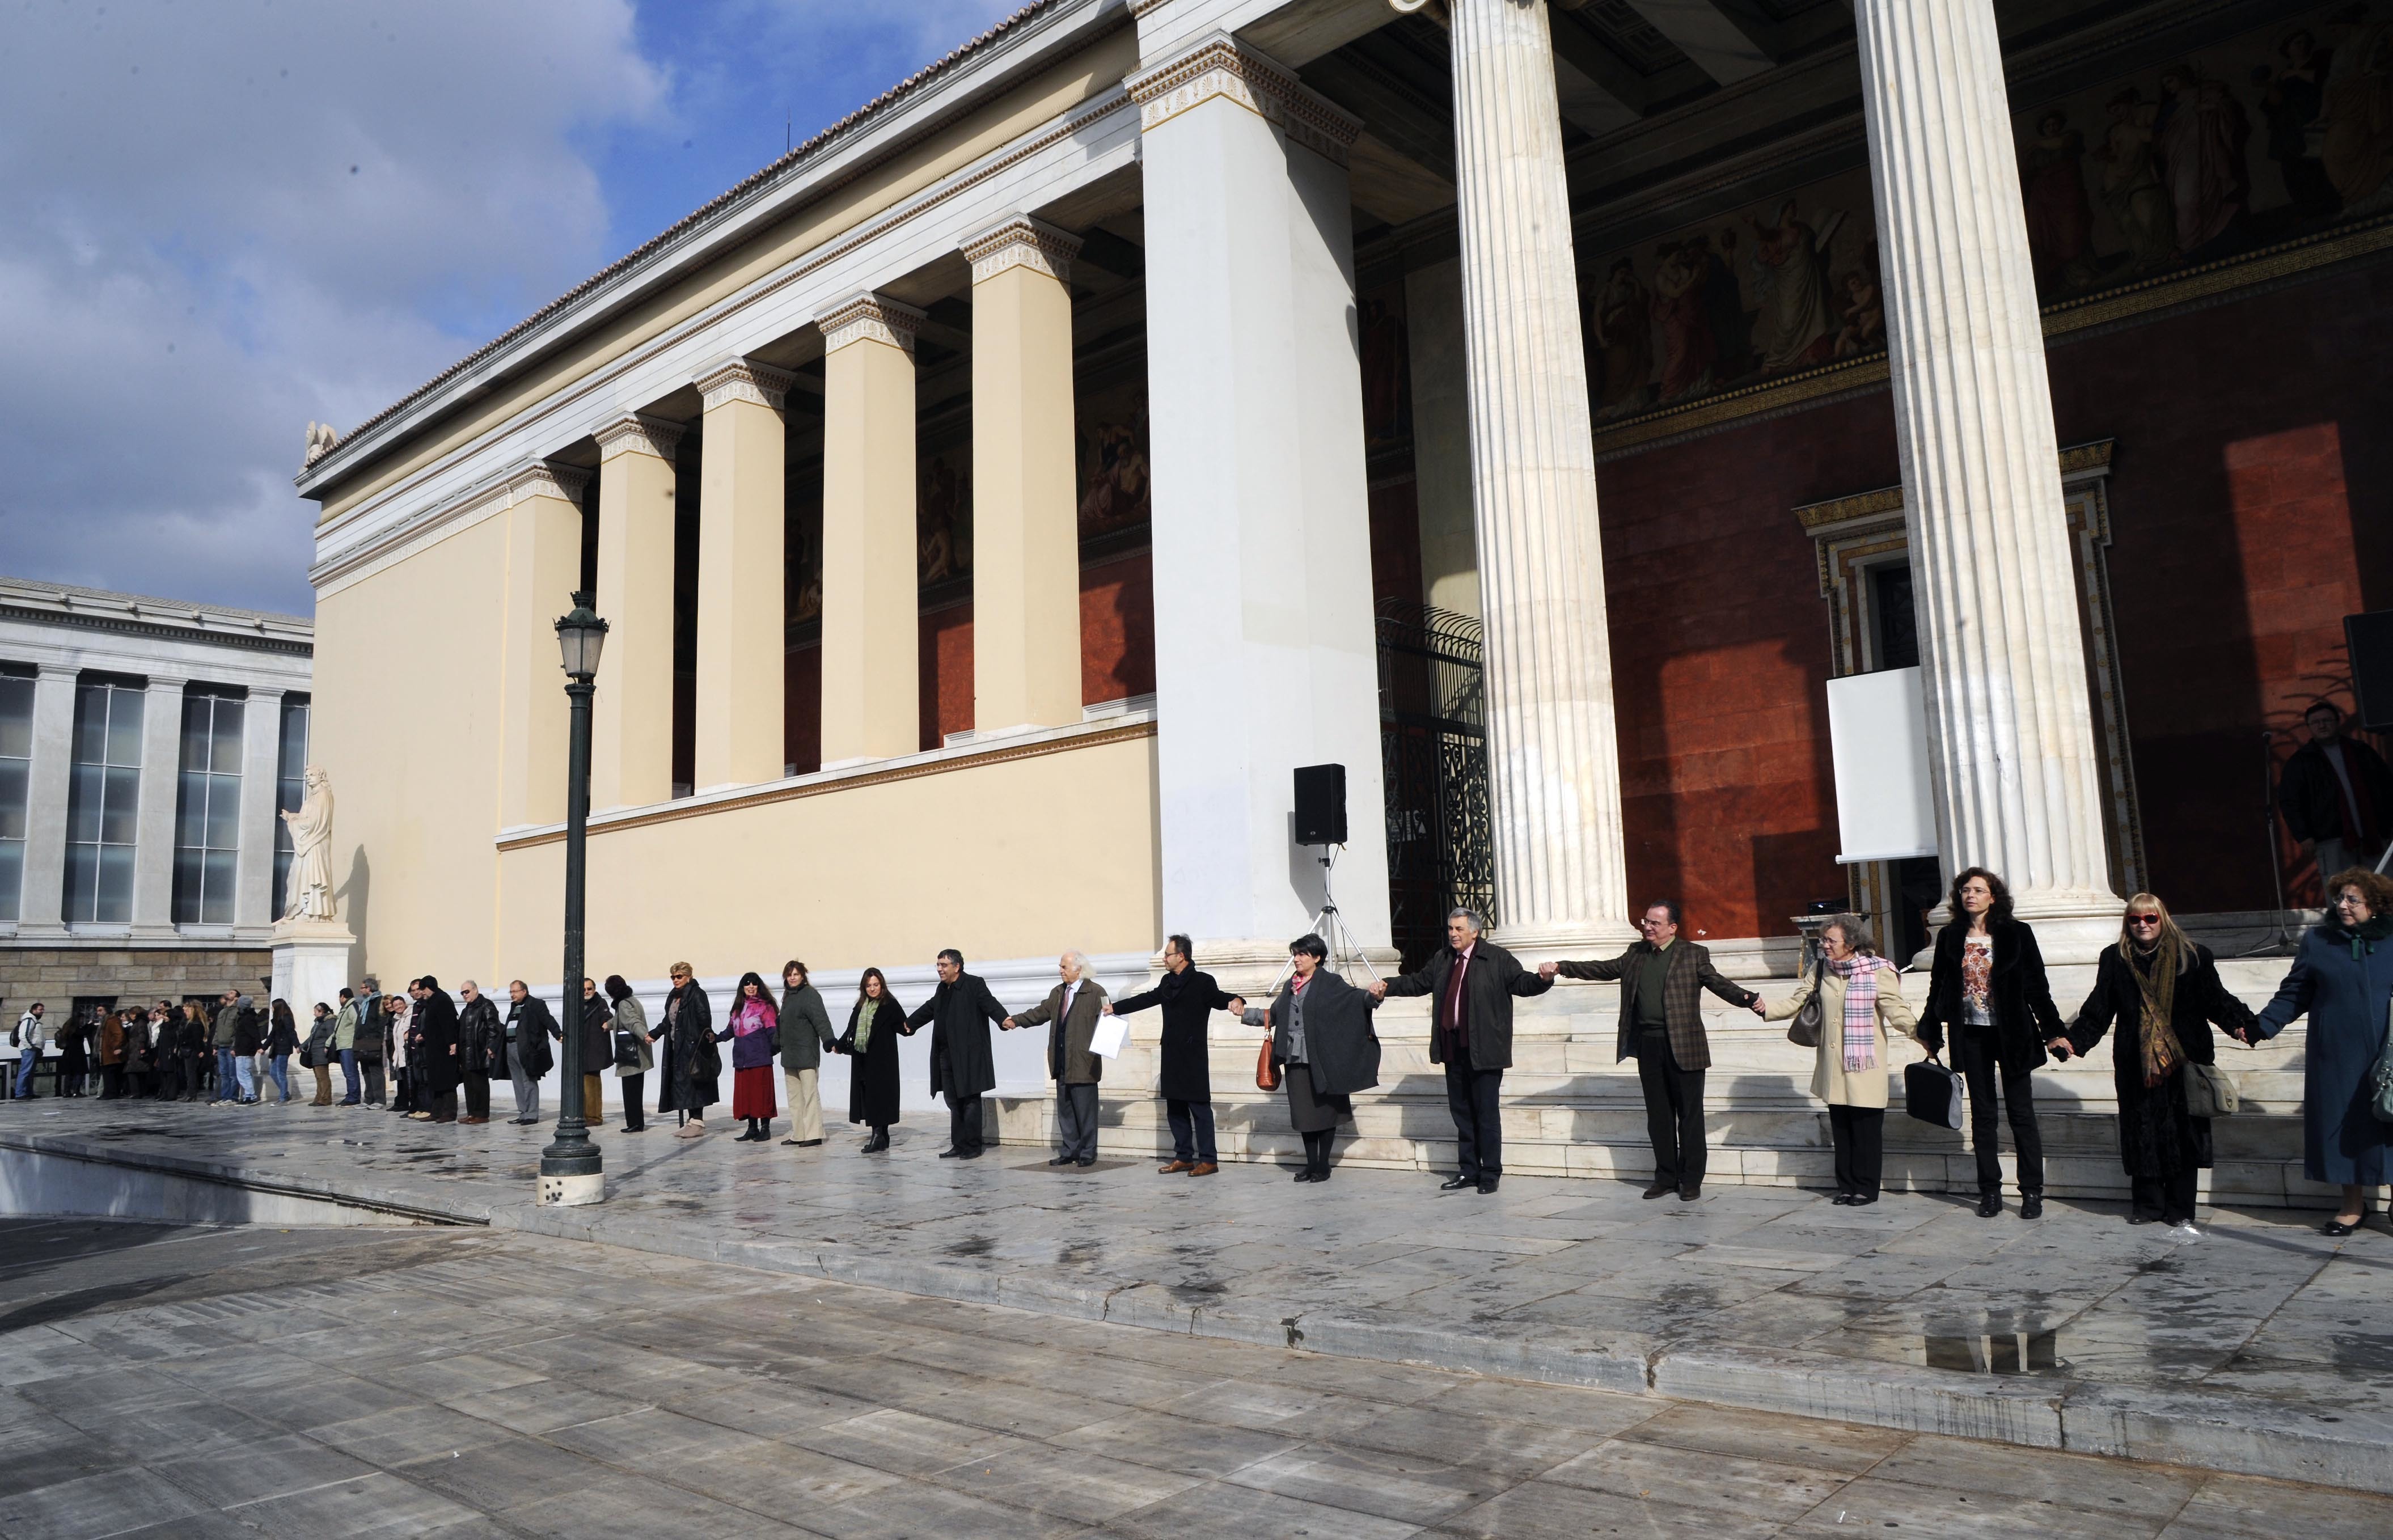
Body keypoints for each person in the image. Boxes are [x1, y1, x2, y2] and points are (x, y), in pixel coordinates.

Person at [2054, 894, 2252, 1234]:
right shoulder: (2115, 959)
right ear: (2127, 923)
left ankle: (2180, 1207)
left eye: (2150, 919)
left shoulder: (2193, 956)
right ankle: (2147, 1205)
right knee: (2140, 1130)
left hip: (2185, 1061)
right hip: (2136, 1062)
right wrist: (2074, 1040)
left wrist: (2242, 1024)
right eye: (2135, 920)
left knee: (2184, 1133)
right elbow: (2099, 1007)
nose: (2143, 925)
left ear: (2163, 919)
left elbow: (2216, 1000)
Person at [1546, 901, 1762, 1202]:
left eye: (1655, 923)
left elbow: (1717, 983)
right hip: (1648, 1045)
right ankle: (1665, 1177)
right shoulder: (1635, 954)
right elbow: (1603, 969)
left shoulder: (1692, 954)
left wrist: (1748, 999)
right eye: (1645, 921)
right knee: (1658, 1116)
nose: (1647, 926)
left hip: (1684, 1046)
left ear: (1672, 928)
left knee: (1689, 1116)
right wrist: (1562, 968)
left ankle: (1690, 1180)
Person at [2248, 867, 2393, 1236]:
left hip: (2387, 1052)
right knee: (2342, 1127)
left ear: (2374, 906)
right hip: (2336, 1056)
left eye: (2353, 900)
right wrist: (2261, 1026)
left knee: (2389, 1123)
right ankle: (2352, 1206)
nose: (2343, 905)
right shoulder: (2319, 942)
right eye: (2340, 898)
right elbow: (2295, 993)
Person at [1917, 868, 2065, 1220]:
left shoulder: (2017, 933)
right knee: (1983, 1115)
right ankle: (1991, 1192)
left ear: (1993, 897)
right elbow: (1939, 985)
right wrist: (1930, 1027)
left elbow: (2037, 987)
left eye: (1978, 890)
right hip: (1971, 1034)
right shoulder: (1951, 935)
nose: (1970, 896)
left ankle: (2031, 1192)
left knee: (2021, 1114)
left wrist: (2054, 1031)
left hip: (2012, 1033)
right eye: (1965, 890)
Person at [1375, 908, 1553, 1194]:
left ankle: (1490, 1173)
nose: (1453, 934)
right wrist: (1388, 986)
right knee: (1462, 1113)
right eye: (1450, 929)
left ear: (1475, 931)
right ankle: (1468, 1171)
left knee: (1485, 1113)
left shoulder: (1497, 959)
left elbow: (1522, 983)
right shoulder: (1443, 959)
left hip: (1484, 1049)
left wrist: (1543, 979)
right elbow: (1418, 982)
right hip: (1453, 1048)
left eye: (1459, 929)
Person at [1761, 914, 1917, 1205]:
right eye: (1823, 940)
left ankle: (1866, 1188)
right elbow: (1797, 1001)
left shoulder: (1878, 970)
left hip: (1864, 1066)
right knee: (1842, 1132)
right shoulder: (1820, 969)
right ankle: (1845, 1186)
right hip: (1833, 1066)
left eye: (1831, 940)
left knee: (1866, 1132)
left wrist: (1919, 1032)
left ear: (1853, 942)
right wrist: (1764, 1008)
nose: (1825, 946)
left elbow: (1896, 1009)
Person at [1244, 934, 1381, 1182]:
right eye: (1295, 954)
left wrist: (1374, 997)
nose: (1296, 959)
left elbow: (1355, 999)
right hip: (1295, 1058)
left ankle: (1323, 1165)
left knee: (1326, 1112)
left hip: (1324, 1057)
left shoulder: (1330, 982)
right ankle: (1311, 1164)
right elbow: (1272, 1014)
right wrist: (1244, 1012)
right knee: (1304, 1114)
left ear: (1317, 958)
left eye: (1302, 954)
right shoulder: (1290, 985)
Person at [1106, 934, 1242, 1176]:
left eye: (1167, 955)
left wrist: (1236, 1000)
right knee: (1175, 1109)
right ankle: (1184, 1157)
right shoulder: (1167, 983)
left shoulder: (1202, 982)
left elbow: (1219, 998)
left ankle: (1209, 1160)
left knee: (1199, 1109)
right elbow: (1147, 999)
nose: (1164, 959)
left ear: (1181, 956)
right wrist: (1116, 1008)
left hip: (1193, 1056)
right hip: (1171, 1054)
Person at [2278, 700, 2392, 898]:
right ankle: (2345, 930)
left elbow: (2387, 786)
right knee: (2341, 895)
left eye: (2326, 720)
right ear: (2310, 727)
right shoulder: (2301, 761)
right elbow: (2291, 801)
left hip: (2374, 832)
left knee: (2381, 889)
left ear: (2337, 722)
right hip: (2331, 837)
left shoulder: (2361, 752)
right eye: (2316, 723)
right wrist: (2303, 835)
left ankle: (2384, 929)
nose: (2322, 725)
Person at [1008, 951, 1111, 1167]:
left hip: (1084, 1062)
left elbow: (1107, 1021)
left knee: (1085, 1111)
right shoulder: (1058, 992)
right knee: (1066, 1110)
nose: (1061, 970)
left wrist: (1101, 1049)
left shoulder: (1096, 992)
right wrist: (1015, 1021)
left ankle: (1087, 1152)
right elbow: (1039, 1013)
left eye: (1064, 967)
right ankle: (1070, 1150)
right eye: (1061, 966)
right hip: (1061, 1060)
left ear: (1079, 969)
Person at [904, 949, 1009, 1160]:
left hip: (969, 1055)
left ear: (956, 967)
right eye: (938, 965)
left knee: (970, 1099)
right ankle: (959, 1144)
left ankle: (972, 1146)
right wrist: (910, 1024)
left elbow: (989, 1003)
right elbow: (931, 1008)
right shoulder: (943, 989)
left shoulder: (974, 984)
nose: (939, 969)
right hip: (946, 1055)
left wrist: (1003, 1019)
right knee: (953, 1100)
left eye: (943, 965)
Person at [836, 968, 903, 1152]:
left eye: (876, 985)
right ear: (863, 987)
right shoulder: (860, 1007)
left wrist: (911, 1026)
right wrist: (838, 1046)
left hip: (884, 1061)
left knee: (881, 1098)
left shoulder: (890, 1005)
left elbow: (903, 1027)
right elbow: (850, 1030)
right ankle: (880, 1135)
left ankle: (879, 1135)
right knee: (869, 1098)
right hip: (864, 1061)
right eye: (869, 986)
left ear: (882, 985)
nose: (872, 989)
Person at [776, 961, 836, 1148]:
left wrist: (829, 1040)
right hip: (789, 1055)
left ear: (803, 976)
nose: (792, 978)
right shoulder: (788, 997)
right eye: (789, 975)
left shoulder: (810, 995)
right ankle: (799, 1133)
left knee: (809, 1095)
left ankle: (814, 1134)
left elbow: (821, 1019)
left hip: (806, 1054)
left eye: (796, 974)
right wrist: (774, 1045)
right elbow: (782, 1024)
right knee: (794, 1097)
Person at [657, 962, 718, 1137]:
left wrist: (697, 1041)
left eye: (679, 976)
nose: (675, 980)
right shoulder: (674, 996)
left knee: (695, 1082)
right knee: (684, 1085)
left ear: (688, 977)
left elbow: (704, 1019)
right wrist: (655, 1034)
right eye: (673, 977)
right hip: (677, 1048)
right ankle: (691, 1122)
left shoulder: (697, 994)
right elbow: (668, 1020)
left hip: (692, 1047)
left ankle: (697, 1122)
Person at [724, 972, 779, 1142]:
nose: (751, 986)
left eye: (754, 983)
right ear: (742, 987)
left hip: (760, 1059)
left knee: (761, 1096)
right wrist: (713, 1038)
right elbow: (729, 1032)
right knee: (747, 1097)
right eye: (747, 983)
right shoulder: (738, 1009)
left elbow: (773, 1032)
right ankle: (752, 1128)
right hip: (742, 1061)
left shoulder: (765, 1007)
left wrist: (773, 1050)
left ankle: (766, 1128)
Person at [411, 977, 462, 1124]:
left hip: (444, 1049)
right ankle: (436, 1111)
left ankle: (449, 1112)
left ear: (430, 987)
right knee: (436, 1082)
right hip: (434, 1049)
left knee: (447, 1082)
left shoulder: (443, 1000)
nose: (422, 993)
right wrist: (424, 1034)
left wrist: (452, 1043)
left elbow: (449, 1024)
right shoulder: (433, 1001)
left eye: (423, 989)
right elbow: (433, 1023)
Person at [604, 976, 651, 1133]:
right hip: (637, 1054)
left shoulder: (624, 1004)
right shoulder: (631, 1000)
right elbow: (621, 1019)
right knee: (635, 1090)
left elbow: (632, 1022)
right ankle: (637, 1123)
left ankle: (635, 1124)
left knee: (631, 1092)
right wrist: (608, 1025)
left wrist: (645, 1034)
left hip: (631, 1055)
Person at [504, 980, 555, 1124]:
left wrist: (558, 1035)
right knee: (517, 1082)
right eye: (511, 992)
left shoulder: (536, 1004)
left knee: (528, 1081)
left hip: (526, 1049)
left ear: (524, 991)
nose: (512, 995)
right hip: (510, 1047)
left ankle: (531, 1114)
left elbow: (548, 1020)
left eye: (515, 991)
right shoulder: (514, 1007)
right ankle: (523, 1113)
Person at [455, 981, 500, 1124]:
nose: (465, 995)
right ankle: (472, 1113)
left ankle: (481, 1114)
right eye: (462, 993)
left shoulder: (486, 1005)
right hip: (466, 1053)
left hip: (479, 1052)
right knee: (469, 1085)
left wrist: (491, 1046)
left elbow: (493, 1027)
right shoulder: (466, 1010)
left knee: (480, 1084)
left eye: (467, 992)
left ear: (475, 990)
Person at [573, 977, 611, 1129]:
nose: (586, 992)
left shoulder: (600, 1003)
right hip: (580, 1050)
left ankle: (594, 1117)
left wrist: (607, 1023)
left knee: (592, 1085)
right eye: (583, 990)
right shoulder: (576, 1004)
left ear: (594, 990)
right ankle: (582, 1114)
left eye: (589, 989)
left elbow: (607, 1017)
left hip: (595, 1050)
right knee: (581, 1085)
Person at [264, 999, 299, 1105]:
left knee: (281, 1074)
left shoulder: (286, 1019)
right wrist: (264, 1047)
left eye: (273, 1007)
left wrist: (297, 1045)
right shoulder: (277, 1019)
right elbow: (272, 1035)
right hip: (277, 1049)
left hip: (284, 1049)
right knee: (273, 1073)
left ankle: (283, 1098)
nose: (272, 1009)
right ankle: (285, 1093)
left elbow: (292, 1032)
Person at [304, 1002, 337, 1105]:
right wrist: (302, 1046)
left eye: (315, 1012)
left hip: (322, 1053)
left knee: (323, 1077)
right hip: (315, 1053)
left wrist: (327, 1047)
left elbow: (331, 1036)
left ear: (321, 1011)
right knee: (318, 1077)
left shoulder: (329, 1021)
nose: (314, 1014)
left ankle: (326, 1099)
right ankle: (319, 1097)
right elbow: (312, 1037)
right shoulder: (319, 1022)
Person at [11, 1001, 43, 1099]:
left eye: (43, 1010)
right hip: (28, 1049)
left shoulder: (34, 1020)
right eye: (40, 1010)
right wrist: (30, 1046)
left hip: (34, 1049)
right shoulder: (29, 1019)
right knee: (25, 1071)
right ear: (34, 1010)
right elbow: (23, 1035)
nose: (42, 1012)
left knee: (30, 1072)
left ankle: (28, 1092)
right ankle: (20, 1094)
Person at [96, 1006, 127, 1099]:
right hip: (106, 1053)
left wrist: (116, 1047)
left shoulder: (112, 1021)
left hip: (111, 1053)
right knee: (108, 1074)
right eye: (98, 1011)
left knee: (110, 1074)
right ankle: (108, 1092)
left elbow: (119, 1035)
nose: (98, 1013)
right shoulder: (106, 1022)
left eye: (101, 1011)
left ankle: (111, 1093)